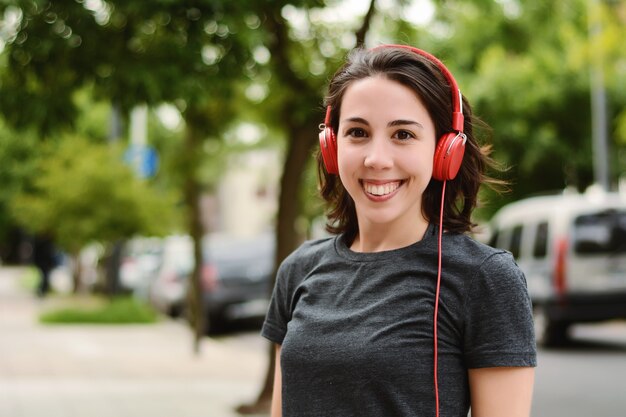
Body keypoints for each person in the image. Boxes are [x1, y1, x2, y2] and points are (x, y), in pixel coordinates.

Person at [262, 44, 536, 417]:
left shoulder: (484, 278)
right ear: (331, 145)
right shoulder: (298, 270)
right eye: (357, 132)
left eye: (403, 135)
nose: (376, 158)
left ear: (445, 151)